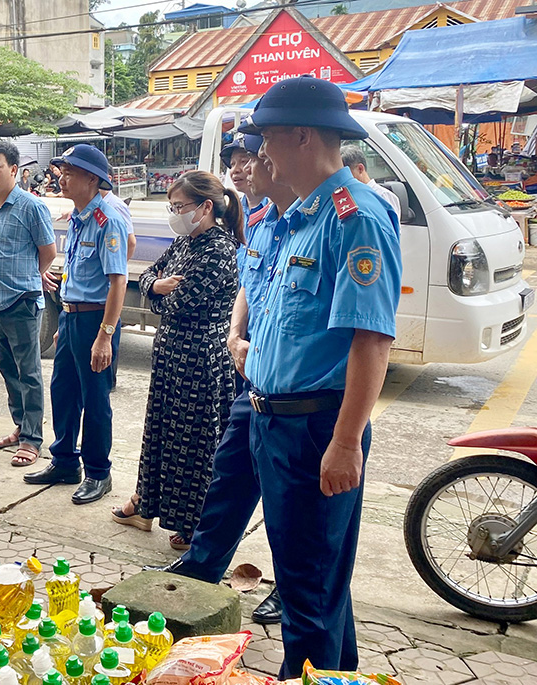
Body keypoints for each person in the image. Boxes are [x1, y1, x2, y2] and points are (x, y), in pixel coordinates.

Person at [238, 76, 401, 677]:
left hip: (317, 432)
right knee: (319, 585)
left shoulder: (353, 218)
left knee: (306, 596)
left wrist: (345, 441)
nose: (261, 155)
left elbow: (371, 340)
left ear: (301, 136)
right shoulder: (293, 218)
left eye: (267, 141)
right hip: (275, 423)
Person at [151, 133, 299, 627]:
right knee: (229, 480)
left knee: (293, 510)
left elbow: (370, 337)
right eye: (239, 161)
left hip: (300, 397)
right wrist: (236, 333)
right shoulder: (265, 223)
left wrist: (345, 435)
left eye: (254, 158)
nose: (246, 169)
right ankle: (200, 569)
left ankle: (293, 592)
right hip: (252, 380)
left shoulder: (339, 220)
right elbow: (248, 289)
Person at [111, 170, 241, 546]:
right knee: (160, 433)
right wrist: (156, 284)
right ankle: (144, 503)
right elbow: (149, 275)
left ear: (205, 207)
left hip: (199, 361)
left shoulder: (218, 250)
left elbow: (177, 304)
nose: (174, 213)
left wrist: (158, 290)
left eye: (180, 206)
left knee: (195, 443)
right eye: (172, 206)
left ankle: (192, 523)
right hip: (171, 357)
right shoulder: (185, 242)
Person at [24, 145, 129, 504]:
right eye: (62, 170)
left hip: (95, 321)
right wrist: (65, 319)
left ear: (92, 179)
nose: (62, 178)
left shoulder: (107, 219)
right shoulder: (78, 216)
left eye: (70, 172)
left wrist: (105, 335)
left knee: (95, 399)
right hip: (72, 317)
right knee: (63, 392)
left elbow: (118, 282)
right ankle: (65, 461)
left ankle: (99, 472)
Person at [0, 141, 57, 467]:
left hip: (21, 300)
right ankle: (20, 425)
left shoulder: (31, 206)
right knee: (7, 368)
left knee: (29, 373)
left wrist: (28, 276)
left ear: (13, 170)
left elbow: (48, 252)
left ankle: (32, 439)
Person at [341, 144, 402, 217]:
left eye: (346, 174)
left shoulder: (383, 196)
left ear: (360, 169)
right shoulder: (345, 199)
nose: (343, 179)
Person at [222, 135, 264, 217]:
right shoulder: (233, 213)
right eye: (232, 164)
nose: (235, 170)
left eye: (243, 161)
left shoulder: (277, 209)